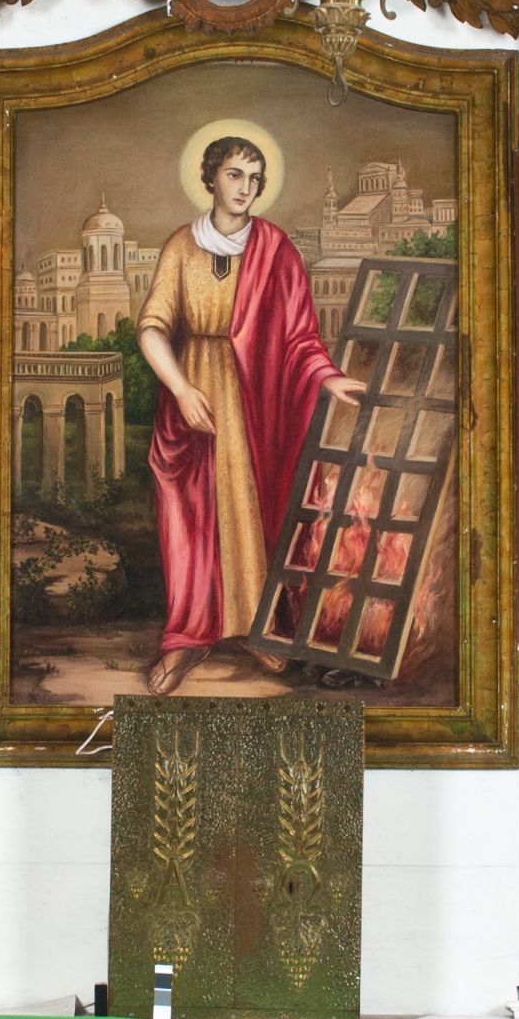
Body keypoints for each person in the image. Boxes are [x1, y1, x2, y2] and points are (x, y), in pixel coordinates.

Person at [135, 130, 361, 693]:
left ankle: (259, 627)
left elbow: (300, 335)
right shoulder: (180, 246)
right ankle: (186, 641)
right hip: (191, 396)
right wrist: (181, 389)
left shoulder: (275, 248)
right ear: (210, 177)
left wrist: (326, 375)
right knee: (190, 518)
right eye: (235, 174)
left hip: (252, 401)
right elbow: (153, 327)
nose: (245, 187)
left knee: (249, 511)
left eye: (255, 179)